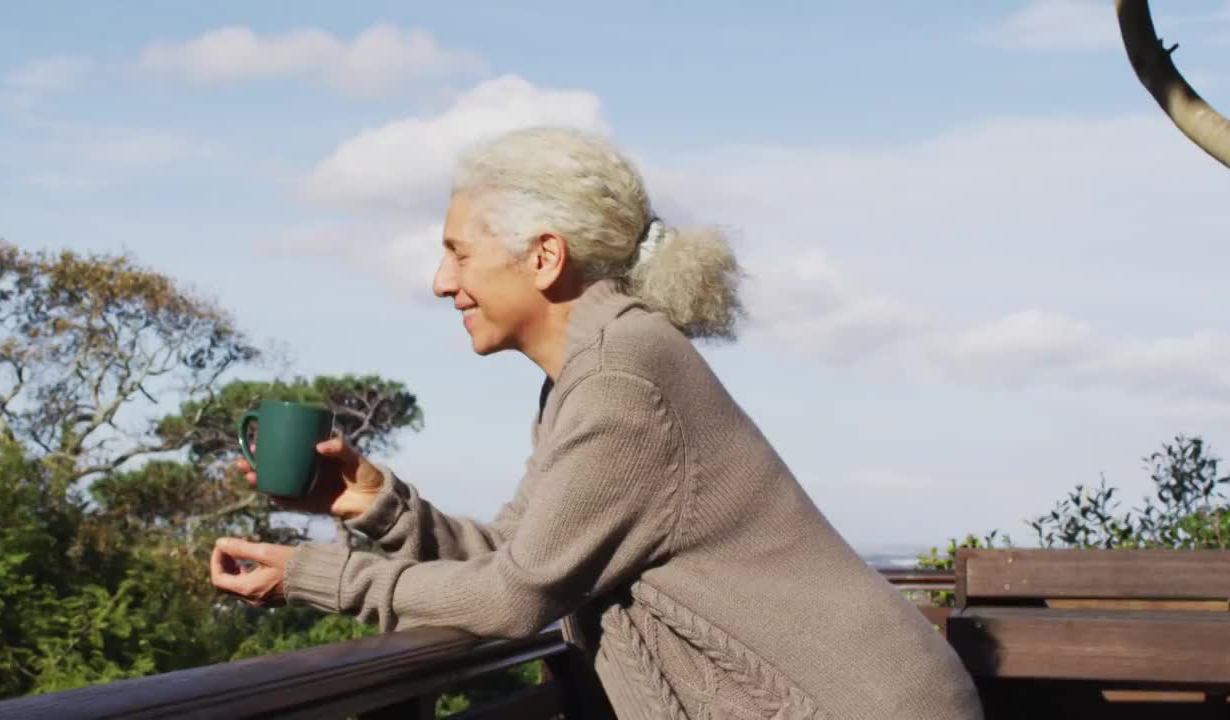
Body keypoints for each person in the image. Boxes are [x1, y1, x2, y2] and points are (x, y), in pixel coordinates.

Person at [211, 126, 984, 720]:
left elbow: (512, 599)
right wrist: (378, 504)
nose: (441, 282)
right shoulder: (590, 373)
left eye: (458, 254)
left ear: (544, 257)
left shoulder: (621, 377)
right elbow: (525, 556)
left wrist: (311, 575)